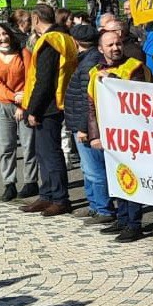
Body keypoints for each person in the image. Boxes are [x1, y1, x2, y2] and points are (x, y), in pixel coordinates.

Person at [82, 28, 152, 243]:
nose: (115, 48)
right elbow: (92, 106)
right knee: (116, 178)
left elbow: (137, 96)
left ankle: (133, 223)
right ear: (101, 49)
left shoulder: (135, 67)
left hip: (131, 136)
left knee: (131, 178)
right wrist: (94, 135)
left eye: (118, 44)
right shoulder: (94, 71)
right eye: (110, 45)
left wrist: (112, 79)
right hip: (108, 135)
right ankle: (122, 218)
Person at [20, 4, 78, 217]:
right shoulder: (64, 36)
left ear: (35, 19)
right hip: (56, 101)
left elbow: (43, 80)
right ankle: (46, 195)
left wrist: (33, 109)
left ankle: (59, 198)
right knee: (43, 153)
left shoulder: (50, 40)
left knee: (50, 153)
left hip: (48, 105)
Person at [0, 23, 38, 202]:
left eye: (4, 34)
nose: (2, 38)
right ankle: (9, 183)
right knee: (6, 147)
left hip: (25, 103)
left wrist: (23, 105)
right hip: (2, 105)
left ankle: (31, 181)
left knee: (29, 145)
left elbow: (31, 78)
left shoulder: (24, 54)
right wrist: (15, 97)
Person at [65, 24, 110, 222]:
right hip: (78, 124)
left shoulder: (88, 64)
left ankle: (103, 209)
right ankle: (94, 205)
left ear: (75, 42)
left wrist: (83, 128)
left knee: (94, 169)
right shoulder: (86, 60)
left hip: (86, 127)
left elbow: (88, 99)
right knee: (87, 168)